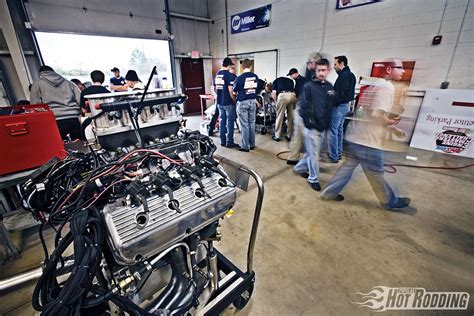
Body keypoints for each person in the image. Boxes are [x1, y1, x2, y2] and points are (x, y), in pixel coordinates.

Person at [321, 58, 411, 211]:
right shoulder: (387, 87)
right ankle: (389, 201)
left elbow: (365, 113)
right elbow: (377, 115)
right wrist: (393, 126)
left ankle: (329, 193)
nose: (403, 71)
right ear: (389, 70)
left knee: (348, 167)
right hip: (367, 141)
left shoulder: (372, 85)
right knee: (376, 172)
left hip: (354, 135)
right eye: (400, 67)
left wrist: (391, 128)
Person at [293, 59, 335, 191]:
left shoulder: (329, 87)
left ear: (328, 71)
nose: (321, 73)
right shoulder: (308, 86)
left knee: (312, 152)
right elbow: (302, 108)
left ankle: (299, 168)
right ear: (315, 71)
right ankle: (313, 179)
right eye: (319, 70)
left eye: (324, 70)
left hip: (323, 126)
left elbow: (330, 106)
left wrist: (327, 123)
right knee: (314, 155)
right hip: (311, 127)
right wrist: (309, 123)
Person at [30, 65, 82, 140]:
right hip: (73, 118)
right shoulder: (69, 83)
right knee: (79, 144)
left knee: (61, 146)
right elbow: (80, 100)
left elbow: (35, 105)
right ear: (53, 72)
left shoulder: (37, 84)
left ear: (40, 73)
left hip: (54, 119)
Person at [327, 55, 356, 163]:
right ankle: (338, 153)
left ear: (341, 63)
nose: (334, 67)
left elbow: (340, 94)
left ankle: (334, 156)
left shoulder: (344, 76)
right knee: (339, 130)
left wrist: (331, 95)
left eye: (335, 64)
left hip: (339, 107)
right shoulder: (351, 75)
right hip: (345, 106)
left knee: (332, 131)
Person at [233, 59, 259, 152]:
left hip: (243, 102)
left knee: (244, 125)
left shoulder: (239, 78)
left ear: (242, 67)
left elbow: (234, 91)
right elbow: (257, 88)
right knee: (252, 123)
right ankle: (252, 144)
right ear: (251, 67)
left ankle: (245, 146)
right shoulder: (255, 77)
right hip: (252, 101)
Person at [213, 57, 240, 148]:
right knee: (230, 122)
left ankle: (222, 141)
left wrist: (219, 96)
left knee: (222, 121)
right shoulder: (229, 75)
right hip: (228, 102)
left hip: (219, 102)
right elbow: (230, 90)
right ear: (229, 65)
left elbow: (215, 88)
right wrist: (234, 100)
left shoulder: (217, 75)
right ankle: (229, 142)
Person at [287, 68, 309, 165]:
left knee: (300, 135)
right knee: (299, 134)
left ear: (295, 74)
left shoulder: (301, 81)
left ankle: (295, 158)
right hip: (303, 107)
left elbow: (300, 95)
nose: (291, 77)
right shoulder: (300, 80)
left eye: (291, 75)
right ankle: (295, 157)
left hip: (303, 108)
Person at [208, 62, 237, 136]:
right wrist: (216, 95)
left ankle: (223, 135)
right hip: (223, 100)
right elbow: (230, 91)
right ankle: (211, 128)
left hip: (221, 100)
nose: (233, 70)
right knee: (218, 115)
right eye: (232, 68)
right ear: (229, 67)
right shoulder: (227, 75)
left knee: (223, 119)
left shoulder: (233, 76)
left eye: (234, 68)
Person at [272, 71, 297, 141]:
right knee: (290, 117)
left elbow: (273, 94)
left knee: (279, 116)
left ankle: (277, 136)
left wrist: (276, 102)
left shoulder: (275, 81)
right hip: (293, 95)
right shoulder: (291, 81)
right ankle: (289, 136)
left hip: (283, 95)